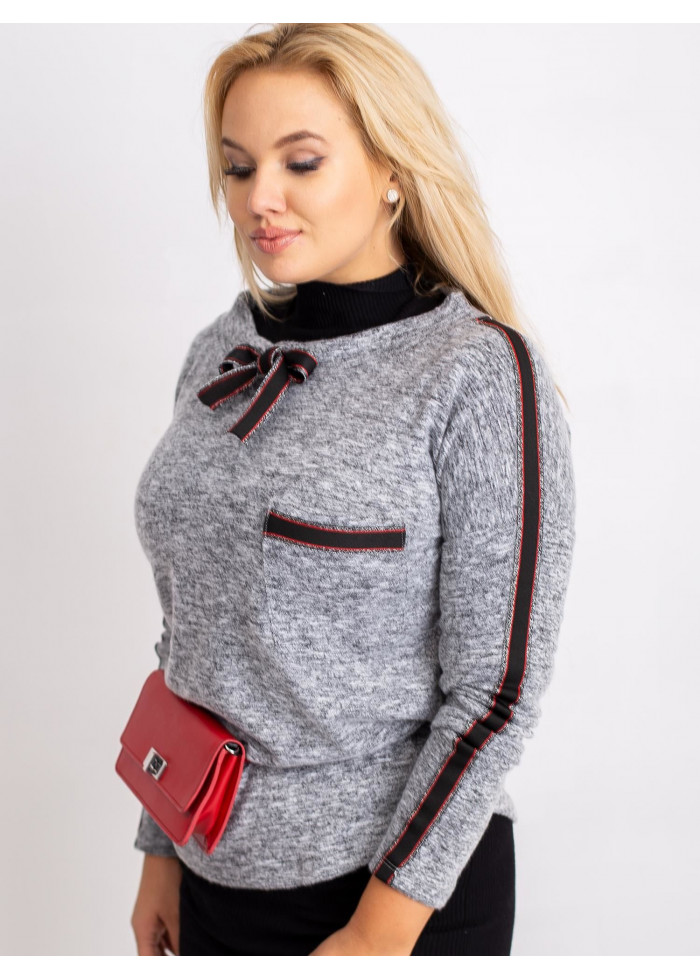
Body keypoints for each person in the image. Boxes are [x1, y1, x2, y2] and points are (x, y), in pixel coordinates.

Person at [128, 22, 576, 956]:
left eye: (301, 162)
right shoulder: (221, 352)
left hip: (390, 897)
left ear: (392, 170)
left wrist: (379, 928)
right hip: (211, 873)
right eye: (239, 167)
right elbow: (194, 636)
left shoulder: (477, 375)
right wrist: (161, 844)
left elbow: (495, 691)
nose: (261, 199)